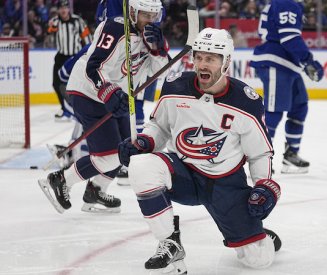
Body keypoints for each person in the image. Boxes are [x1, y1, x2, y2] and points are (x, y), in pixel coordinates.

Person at [118, 28, 282, 273]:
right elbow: (159, 126)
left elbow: (260, 153)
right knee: (142, 165)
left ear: (226, 62)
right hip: (183, 173)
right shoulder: (175, 86)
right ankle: (170, 243)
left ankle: (255, 233)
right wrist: (145, 142)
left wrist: (264, 185)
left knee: (257, 260)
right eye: (199, 57)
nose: (203, 64)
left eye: (211, 58)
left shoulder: (246, 101)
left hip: (225, 184)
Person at [38, 0, 170, 214]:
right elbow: (93, 67)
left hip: (116, 96)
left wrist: (158, 51)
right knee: (108, 156)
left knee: (128, 150)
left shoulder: (152, 37)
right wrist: (109, 92)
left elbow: (162, 73)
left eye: (155, 16)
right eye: (146, 15)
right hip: (88, 92)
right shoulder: (115, 28)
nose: (151, 21)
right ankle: (61, 180)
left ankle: (96, 191)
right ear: (134, 13)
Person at [250, 0, 324, 174]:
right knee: (274, 111)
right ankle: (261, 159)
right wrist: (308, 60)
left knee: (299, 107)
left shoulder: (288, 4)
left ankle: (291, 155)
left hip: (288, 64)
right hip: (276, 61)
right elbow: (289, 37)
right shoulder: (286, 3)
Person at [47, 0, 92, 122]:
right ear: (58, 10)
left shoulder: (78, 21)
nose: (63, 10)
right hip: (61, 57)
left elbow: (87, 39)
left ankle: (78, 110)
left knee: (75, 85)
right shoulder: (55, 22)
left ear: (68, 9)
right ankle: (66, 110)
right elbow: (48, 33)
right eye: (61, 8)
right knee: (56, 84)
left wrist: (88, 54)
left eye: (65, 7)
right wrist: (50, 26)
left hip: (74, 57)